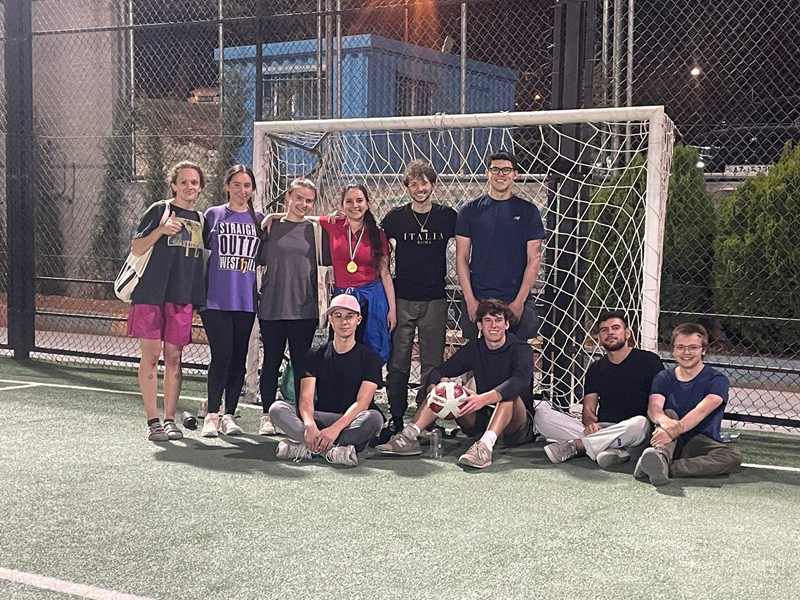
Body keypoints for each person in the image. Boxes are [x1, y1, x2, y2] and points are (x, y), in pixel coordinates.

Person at [376, 299, 537, 470]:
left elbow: (520, 381)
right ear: (480, 326)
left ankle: (484, 448)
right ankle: (409, 437)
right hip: (481, 417)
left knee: (508, 397)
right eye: (488, 321)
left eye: (498, 320)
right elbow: (439, 371)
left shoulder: (521, 349)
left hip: (517, 425)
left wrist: (483, 399)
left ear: (506, 324)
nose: (493, 325)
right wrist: (435, 388)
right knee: (443, 390)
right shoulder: (475, 347)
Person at [126, 161, 208, 442]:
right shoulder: (159, 210)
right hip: (150, 294)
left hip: (181, 297)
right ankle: (153, 422)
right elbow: (137, 247)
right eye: (183, 182)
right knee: (150, 357)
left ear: (200, 187)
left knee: (174, 357)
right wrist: (160, 231)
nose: (189, 187)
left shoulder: (200, 218)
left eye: (194, 182)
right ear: (173, 184)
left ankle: (170, 419)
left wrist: (196, 298)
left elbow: (199, 263)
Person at [380, 160, 457, 438]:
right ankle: (396, 415)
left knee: (432, 362)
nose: (420, 188)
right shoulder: (394, 219)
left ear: (432, 185)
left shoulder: (447, 216)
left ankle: (425, 417)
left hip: (436, 298)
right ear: (407, 187)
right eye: (414, 183)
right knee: (398, 361)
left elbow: (467, 243)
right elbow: (379, 253)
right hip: (403, 298)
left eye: (424, 182)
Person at [269, 294, 384, 467]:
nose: (344, 322)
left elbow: (363, 403)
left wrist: (335, 429)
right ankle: (332, 451)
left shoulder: (370, 358)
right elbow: (306, 399)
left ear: (358, 320)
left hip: (349, 421)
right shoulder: (315, 354)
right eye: (338, 316)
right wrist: (309, 425)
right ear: (330, 319)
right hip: (321, 417)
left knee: (374, 419)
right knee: (277, 409)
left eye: (349, 316)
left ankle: (308, 447)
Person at [540, 311, 665, 468]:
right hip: (604, 428)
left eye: (615, 328)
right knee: (543, 416)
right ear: (598, 337)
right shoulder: (596, 368)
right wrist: (591, 424)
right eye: (604, 330)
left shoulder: (649, 361)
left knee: (638, 424)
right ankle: (613, 450)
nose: (610, 333)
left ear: (627, 333)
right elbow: (588, 410)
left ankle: (577, 446)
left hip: (636, 431)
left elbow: (660, 401)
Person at [199, 165, 264, 437]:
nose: (242, 190)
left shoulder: (259, 219)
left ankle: (229, 415)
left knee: (239, 357)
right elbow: (201, 254)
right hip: (215, 299)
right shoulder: (212, 215)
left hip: (246, 300)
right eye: (236, 184)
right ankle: (212, 414)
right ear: (227, 186)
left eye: (247, 185)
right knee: (222, 355)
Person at [635, 323, 742, 487]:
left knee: (732, 457)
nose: (686, 352)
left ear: (703, 350)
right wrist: (665, 423)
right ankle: (661, 457)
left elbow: (701, 411)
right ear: (673, 350)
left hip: (698, 441)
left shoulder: (717, 380)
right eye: (680, 347)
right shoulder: (664, 377)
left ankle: (666, 467)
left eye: (693, 347)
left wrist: (674, 431)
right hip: (665, 438)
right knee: (669, 413)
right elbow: (654, 408)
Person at [256, 178, 323, 436]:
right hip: (273, 307)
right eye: (299, 198)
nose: (303, 204)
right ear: (288, 197)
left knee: (301, 365)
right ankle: (266, 415)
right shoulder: (270, 228)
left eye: (308, 200)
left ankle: (300, 415)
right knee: (271, 361)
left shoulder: (316, 231)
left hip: (304, 310)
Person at [455, 151, 545, 342]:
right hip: (479, 296)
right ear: (487, 173)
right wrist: (470, 300)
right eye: (495, 169)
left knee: (519, 358)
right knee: (475, 359)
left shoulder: (528, 212)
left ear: (515, 174)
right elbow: (461, 258)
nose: (500, 174)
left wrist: (519, 302)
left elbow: (534, 259)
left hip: (515, 296)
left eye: (506, 170)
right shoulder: (470, 210)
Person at [318, 183, 396, 364]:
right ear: (342, 206)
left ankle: (369, 390)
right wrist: (273, 216)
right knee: (341, 351)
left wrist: (392, 309)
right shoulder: (334, 225)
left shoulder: (377, 234)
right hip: (343, 297)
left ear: (367, 204)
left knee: (370, 352)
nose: (355, 205)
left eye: (359, 201)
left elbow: (385, 274)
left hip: (372, 298)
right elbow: (300, 216)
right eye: (349, 201)